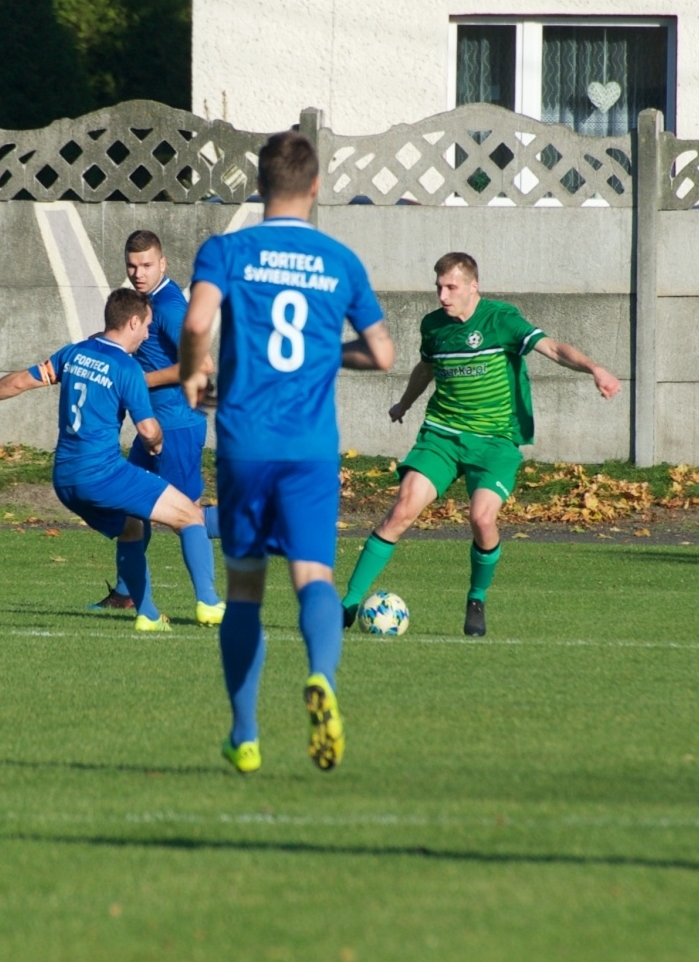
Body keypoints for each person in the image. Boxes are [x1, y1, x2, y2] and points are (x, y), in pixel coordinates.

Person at [179, 130, 394, 775]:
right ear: (316, 187)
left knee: (245, 589)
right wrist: (332, 353)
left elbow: (196, 324)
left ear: (259, 185)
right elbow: (383, 355)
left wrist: (194, 375)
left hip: (246, 442)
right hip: (310, 448)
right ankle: (322, 676)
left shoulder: (228, 250)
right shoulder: (340, 260)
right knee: (313, 578)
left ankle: (244, 735)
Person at [339, 251, 621, 637]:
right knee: (401, 511)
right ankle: (348, 605)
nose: (442, 295)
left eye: (451, 287)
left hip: (495, 441)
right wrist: (404, 403)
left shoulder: (500, 319)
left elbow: (553, 348)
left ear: (474, 286)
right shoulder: (433, 326)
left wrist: (596, 369)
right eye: (438, 286)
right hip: (442, 434)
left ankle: (476, 598)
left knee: (482, 519)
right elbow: (427, 367)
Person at [0, 287, 205, 632]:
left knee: (131, 527)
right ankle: (213, 604)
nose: (147, 333)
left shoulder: (74, 353)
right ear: (132, 322)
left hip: (64, 479)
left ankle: (148, 615)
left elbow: (21, 381)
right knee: (189, 515)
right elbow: (147, 430)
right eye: (145, 325)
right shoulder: (126, 368)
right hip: (103, 473)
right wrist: (157, 443)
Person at [87, 230, 225, 628]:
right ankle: (127, 596)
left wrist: (135, 382)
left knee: (187, 515)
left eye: (146, 264)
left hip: (177, 427)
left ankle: (253, 529)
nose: (138, 272)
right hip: (151, 428)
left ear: (163, 264)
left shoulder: (168, 306)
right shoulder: (141, 304)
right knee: (131, 509)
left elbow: (203, 365)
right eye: (132, 265)